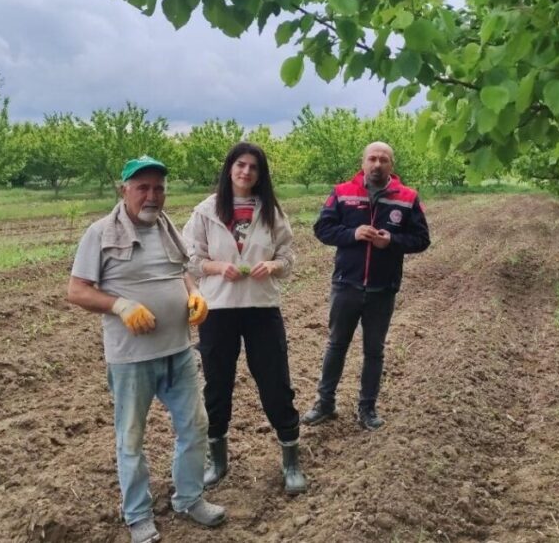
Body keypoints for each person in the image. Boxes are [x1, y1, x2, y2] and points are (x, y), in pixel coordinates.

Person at [67, 155, 226, 543]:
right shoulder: (101, 233)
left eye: (158, 188)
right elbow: (77, 290)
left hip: (179, 350)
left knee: (195, 426)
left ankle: (189, 497)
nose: (152, 195)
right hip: (131, 359)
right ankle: (137, 515)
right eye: (143, 188)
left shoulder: (169, 229)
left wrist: (195, 294)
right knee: (131, 438)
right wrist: (120, 305)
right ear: (124, 190)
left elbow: (182, 271)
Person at [182, 142, 307, 495]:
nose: (246, 172)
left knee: (275, 383)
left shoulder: (270, 212)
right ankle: (217, 460)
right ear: (229, 168)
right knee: (217, 385)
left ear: (260, 173)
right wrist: (218, 267)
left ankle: (291, 460)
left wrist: (276, 265)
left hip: (261, 309)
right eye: (240, 165)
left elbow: (288, 255)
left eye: (253, 167)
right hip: (217, 311)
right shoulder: (206, 211)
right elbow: (190, 258)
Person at [302, 142, 431, 431]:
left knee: (374, 350)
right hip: (346, 284)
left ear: (391, 165)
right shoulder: (342, 193)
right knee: (336, 345)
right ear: (363, 163)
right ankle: (325, 403)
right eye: (372, 159)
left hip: (382, 289)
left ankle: (367, 408)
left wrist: (392, 242)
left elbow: (422, 239)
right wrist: (353, 233)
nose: (377, 164)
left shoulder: (407, 198)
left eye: (383, 160)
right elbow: (322, 229)